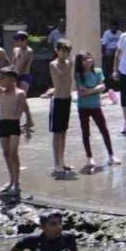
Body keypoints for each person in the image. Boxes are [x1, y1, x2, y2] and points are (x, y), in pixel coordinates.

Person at [74, 51, 118, 171]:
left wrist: (89, 91)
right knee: (85, 132)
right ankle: (89, 157)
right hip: (83, 107)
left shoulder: (98, 71)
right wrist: (95, 89)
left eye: (89, 58)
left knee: (104, 130)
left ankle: (111, 155)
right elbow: (81, 93)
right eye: (84, 60)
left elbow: (103, 87)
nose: (87, 61)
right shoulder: (78, 75)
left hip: (96, 106)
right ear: (80, 63)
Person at [0, 66, 33, 197]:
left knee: (13, 153)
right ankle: (11, 180)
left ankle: (17, 183)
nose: (0, 80)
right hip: (2, 124)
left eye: (3, 78)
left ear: (12, 79)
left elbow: (26, 109)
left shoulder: (20, 93)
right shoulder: (0, 92)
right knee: (6, 153)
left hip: (14, 124)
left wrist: (29, 123)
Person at [46, 40, 75, 178]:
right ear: (57, 50)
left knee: (63, 132)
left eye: (67, 51)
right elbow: (63, 75)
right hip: (57, 100)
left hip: (67, 99)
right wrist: (68, 63)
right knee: (56, 133)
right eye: (62, 51)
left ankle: (62, 161)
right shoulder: (53, 64)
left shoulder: (70, 63)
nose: (65, 54)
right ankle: (56, 162)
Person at [100, 21, 121, 89]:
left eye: (116, 28)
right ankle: (110, 82)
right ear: (111, 27)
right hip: (109, 50)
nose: (114, 29)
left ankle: (118, 82)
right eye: (113, 27)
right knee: (109, 56)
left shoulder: (120, 33)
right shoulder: (107, 33)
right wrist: (103, 54)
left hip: (117, 50)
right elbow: (104, 45)